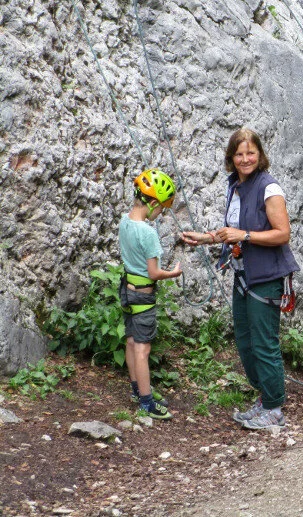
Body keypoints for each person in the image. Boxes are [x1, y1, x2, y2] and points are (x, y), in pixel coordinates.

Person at [181, 128, 300, 431]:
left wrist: (244, 235)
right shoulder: (236, 187)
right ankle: (264, 398)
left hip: (267, 276)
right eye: (239, 154)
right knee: (246, 342)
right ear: (231, 158)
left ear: (260, 155)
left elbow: (283, 233)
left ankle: (274, 408)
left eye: (250, 153)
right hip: (244, 274)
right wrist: (207, 238)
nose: (245, 159)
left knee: (263, 343)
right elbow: (233, 229)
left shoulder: (269, 188)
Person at [120, 169, 182, 420]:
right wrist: (173, 273)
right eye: (162, 208)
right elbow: (154, 273)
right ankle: (146, 403)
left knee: (131, 341)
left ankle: (137, 390)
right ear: (153, 202)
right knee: (143, 349)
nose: (161, 214)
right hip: (143, 296)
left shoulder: (124, 222)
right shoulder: (148, 233)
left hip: (126, 291)